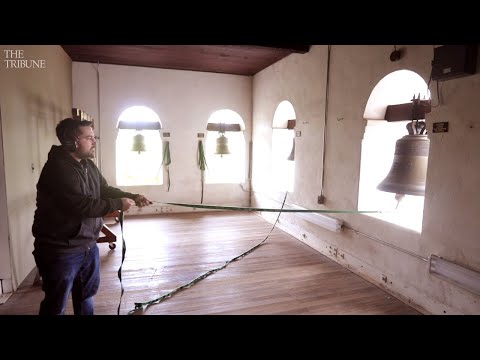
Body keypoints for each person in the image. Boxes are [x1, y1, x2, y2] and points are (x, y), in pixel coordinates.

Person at [32, 117, 152, 315]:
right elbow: (83, 206)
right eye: (89, 137)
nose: (94, 141)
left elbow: (103, 189)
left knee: (86, 297)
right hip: (61, 250)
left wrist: (132, 196)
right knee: (56, 305)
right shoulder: (58, 169)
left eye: (93, 137)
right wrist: (118, 204)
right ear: (72, 141)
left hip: (88, 245)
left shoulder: (87, 164)